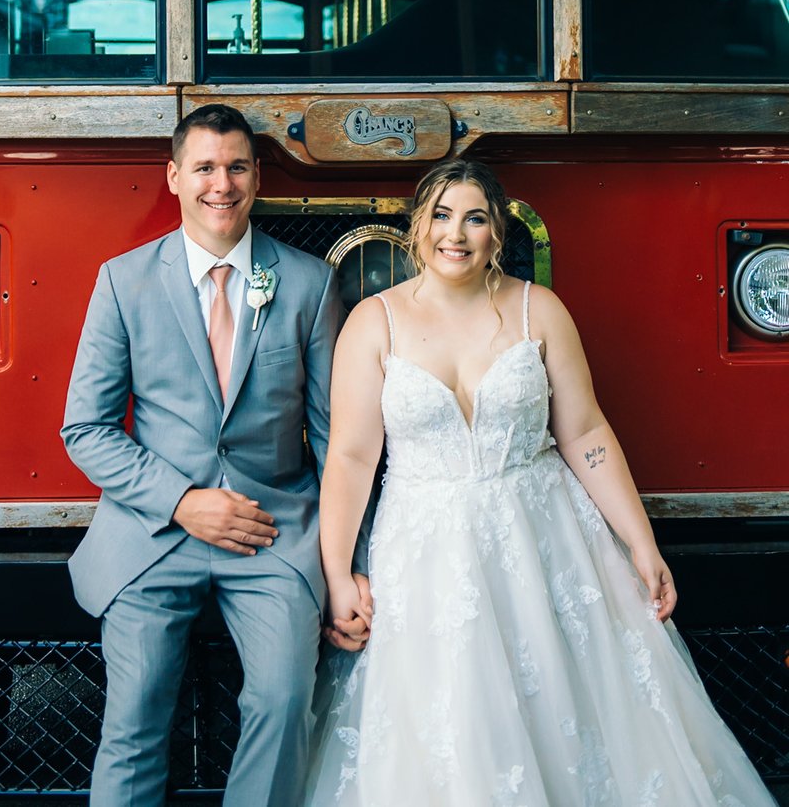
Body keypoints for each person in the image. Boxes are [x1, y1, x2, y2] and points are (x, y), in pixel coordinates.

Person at [304, 158, 776, 805]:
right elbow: (353, 458)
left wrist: (642, 545)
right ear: (417, 228)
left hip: (542, 536)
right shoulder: (373, 322)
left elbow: (586, 435)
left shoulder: (540, 311)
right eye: (442, 216)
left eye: (475, 218)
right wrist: (337, 577)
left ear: (498, 232)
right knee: (451, 721)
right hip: (425, 548)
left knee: (568, 714)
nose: (457, 234)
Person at [61, 103, 368, 807]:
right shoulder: (124, 281)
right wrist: (182, 501)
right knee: (135, 713)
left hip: (273, 535)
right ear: (173, 177)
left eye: (235, 167)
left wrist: (346, 565)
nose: (220, 184)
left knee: (286, 699)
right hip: (153, 536)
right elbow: (86, 429)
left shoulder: (309, 284)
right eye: (203, 167)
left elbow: (335, 439)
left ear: (257, 177)